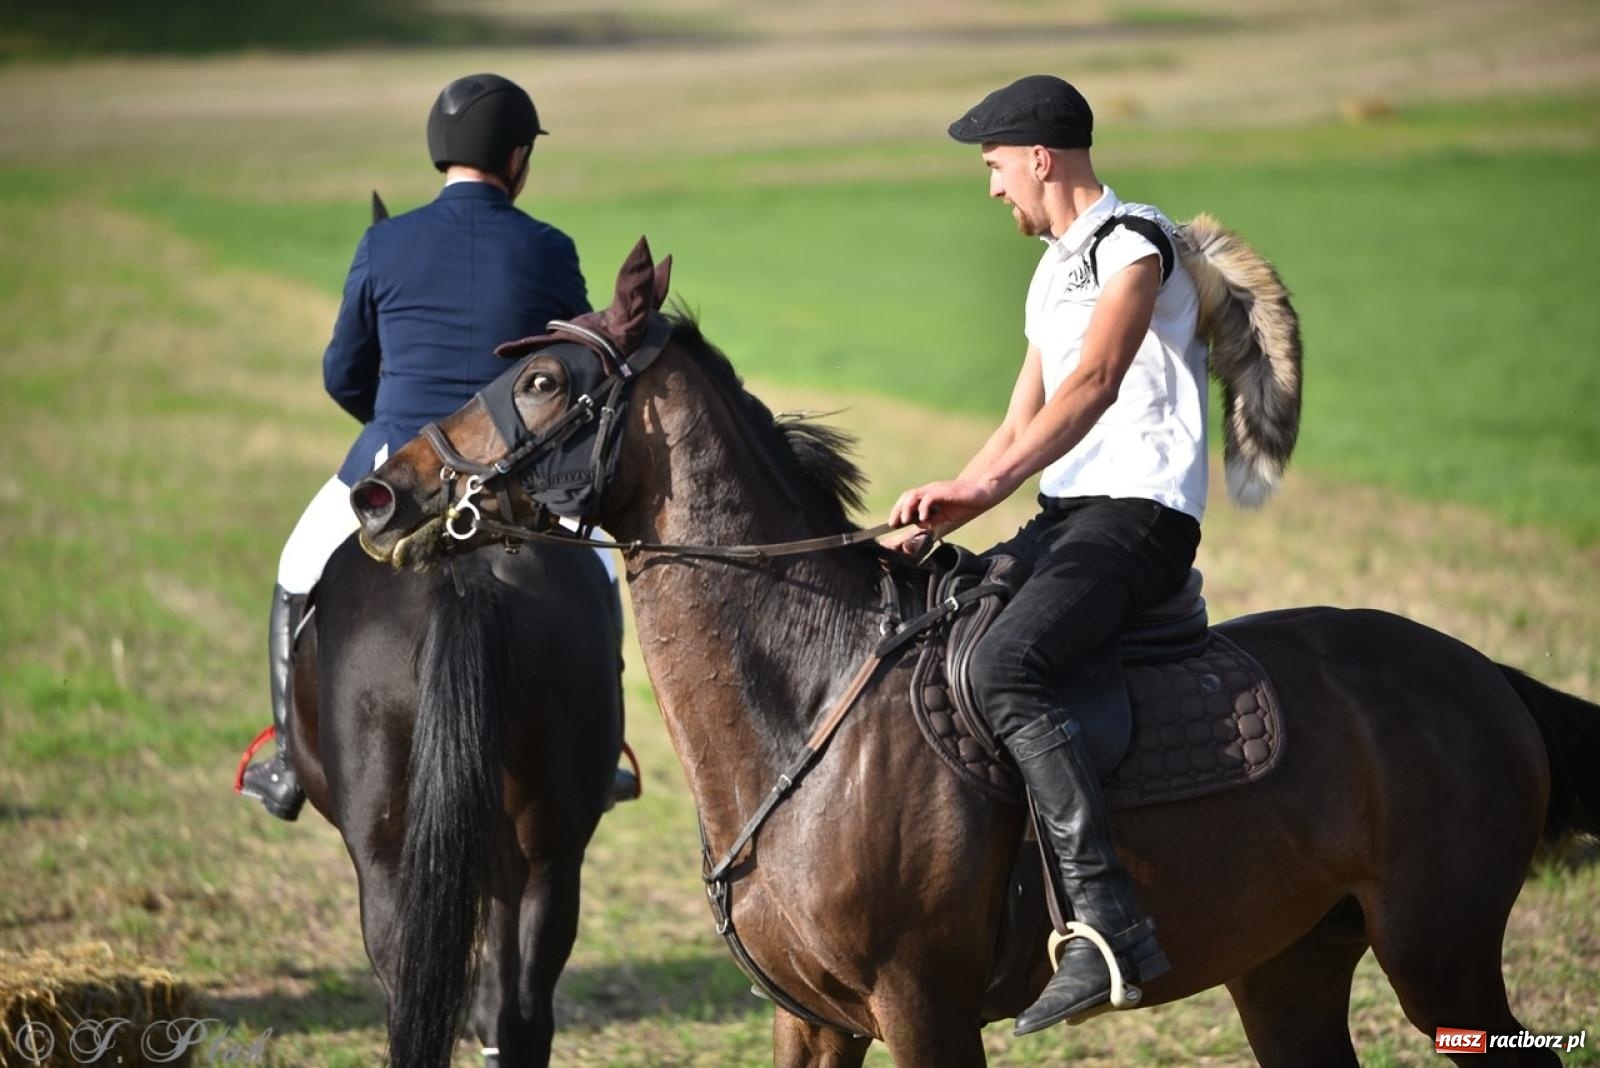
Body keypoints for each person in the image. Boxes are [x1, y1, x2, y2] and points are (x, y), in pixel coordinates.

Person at [886, 74, 1205, 1033]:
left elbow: (1098, 382)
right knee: (935, 628)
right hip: (1069, 515)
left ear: (1039, 156)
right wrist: (937, 510)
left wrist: (984, 491)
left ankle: (1108, 924)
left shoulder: (1134, 240)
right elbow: (1019, 421)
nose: (991, 190)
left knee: (1006, 665)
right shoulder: (1047, 270)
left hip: (1139, 516)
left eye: (993, 166)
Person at [241, 73, 635, 820]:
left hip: (397, 468)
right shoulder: (549, 248)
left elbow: (342, 371)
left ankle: (292, 763)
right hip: (511, 479)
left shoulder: (384, 242)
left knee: (297, 569)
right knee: (600, 576)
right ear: (517, 158)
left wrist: (391, 436)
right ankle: (602, 753)